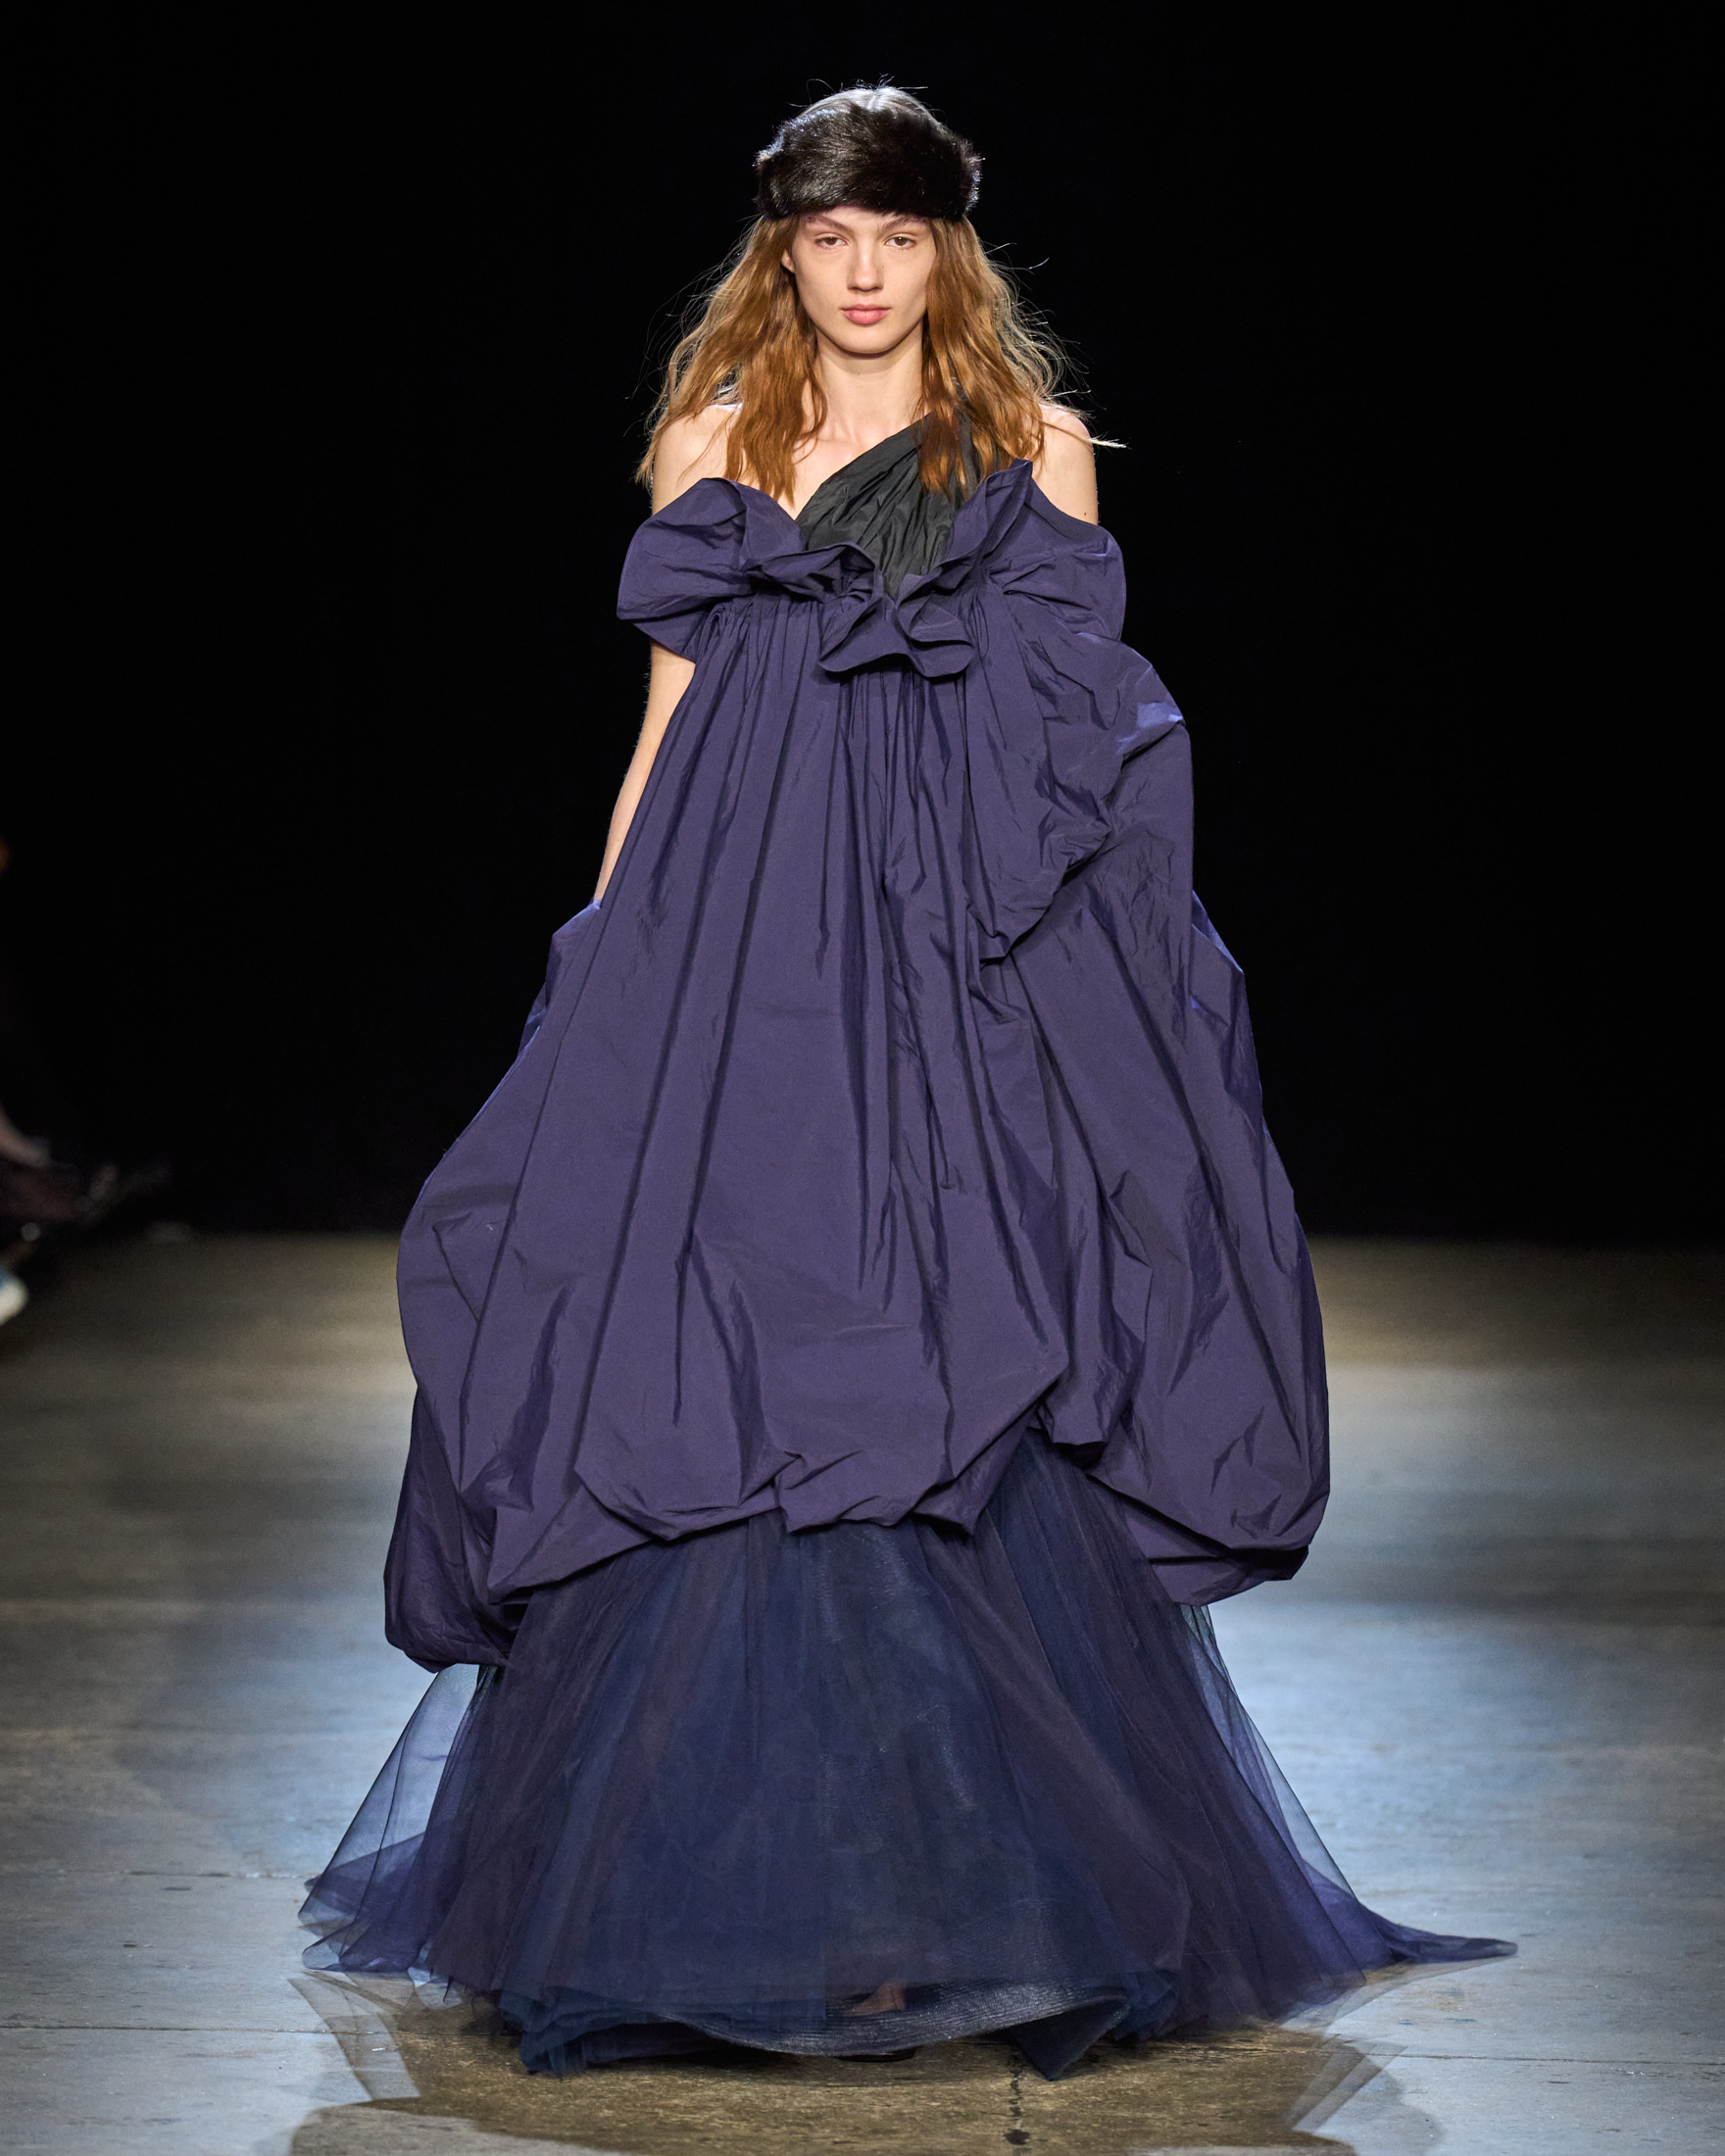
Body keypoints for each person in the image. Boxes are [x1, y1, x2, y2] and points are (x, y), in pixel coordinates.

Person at [303, 87, 1509, 2081]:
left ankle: (947, 1903)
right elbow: (668, 721)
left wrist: (1099, 990)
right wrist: (602, 959)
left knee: (950, 1354)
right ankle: (709, 1901)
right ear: (780, 250)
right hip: (737, 957)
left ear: (949, 248)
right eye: (827, 237)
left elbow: (1091, 747)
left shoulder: (1033, 448)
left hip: (947, 969)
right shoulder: (714, 443)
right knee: (711, 1356)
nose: (863, 273)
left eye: (898, 235)